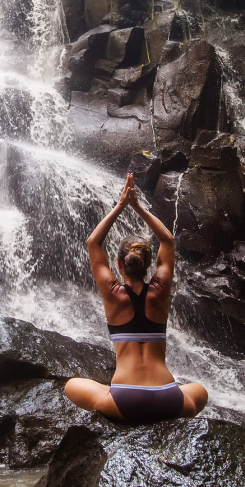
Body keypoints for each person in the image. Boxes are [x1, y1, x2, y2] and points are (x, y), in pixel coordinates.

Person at [64, 173, 208, 422]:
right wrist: (138, 207)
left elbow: (93, 243)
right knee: (200, 392)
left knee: (70, 386)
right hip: (168, 398)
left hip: (125, 400)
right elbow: (168, 240)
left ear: (119, 265)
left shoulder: (113, 294)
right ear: (149, 265)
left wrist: (121, 205)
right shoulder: (159, 291)